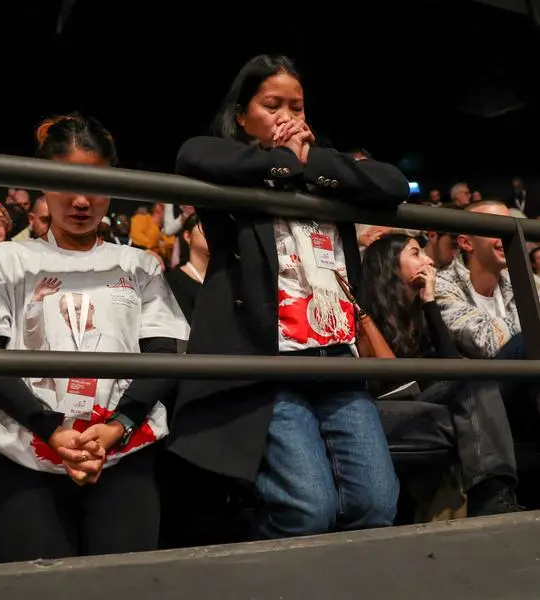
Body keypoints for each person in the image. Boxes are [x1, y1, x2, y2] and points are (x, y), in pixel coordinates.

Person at [169, 54, 409, 539]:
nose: (287, 117)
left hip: (336, 358)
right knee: (309, 508)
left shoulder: (323, 168)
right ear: (242, 115)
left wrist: (309, 161)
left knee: (376, 503)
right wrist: (283, 162)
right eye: (271, 104)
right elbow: (193, 155)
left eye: (296, 107)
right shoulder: (230, 165)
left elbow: (392, 183)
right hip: (269, 366)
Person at [0, 113, 188, 562]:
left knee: (122, 588)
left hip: (123, 454)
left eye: (94, 184)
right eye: (65, 182)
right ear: (42, 182)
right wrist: (50, 428)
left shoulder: (140, 265)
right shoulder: (8, 259)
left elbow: (164, 351)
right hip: (27, 458)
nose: (80, 200)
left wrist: (118, 427)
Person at [360, 234, 521, 516]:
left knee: (473, 381)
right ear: (390, 265)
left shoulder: (421, 311)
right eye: (416, 253)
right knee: (473, 394)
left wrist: (430, 302)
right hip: (385, 406)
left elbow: (451, 365)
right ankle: (490, 495)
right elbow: (388, 381)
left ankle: (493, 494)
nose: (429, 260)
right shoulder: (367, 310)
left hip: (425, 398)